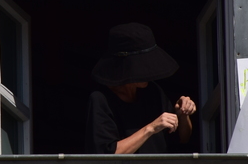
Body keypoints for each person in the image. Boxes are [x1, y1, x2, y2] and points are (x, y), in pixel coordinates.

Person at [84, 23, 196, 154]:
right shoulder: (101, 99)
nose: (148, 73)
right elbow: (107, 156)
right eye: (141, 67)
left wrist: (182, 114)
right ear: (124, 67)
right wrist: (151, 128)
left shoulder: (153, 92)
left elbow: (183, 138)